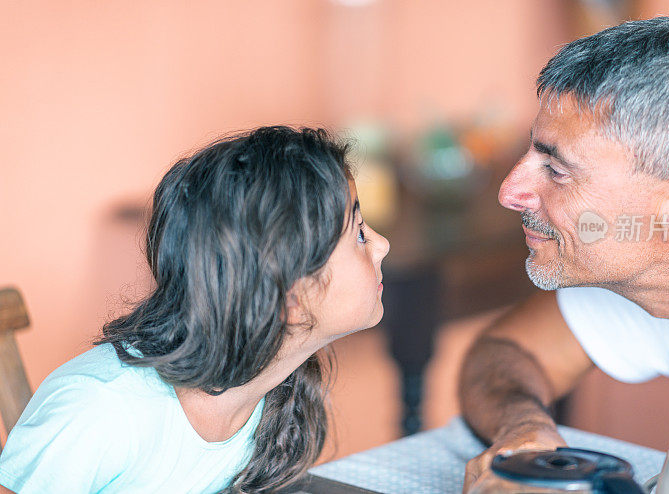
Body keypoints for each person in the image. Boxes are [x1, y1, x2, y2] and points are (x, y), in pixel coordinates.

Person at [458, 16, 669, 491]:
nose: (510, 192)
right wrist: (526, 432)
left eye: (555, 170)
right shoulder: (652, 265)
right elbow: (508, 352)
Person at [0, 126, 390, 493]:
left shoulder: (274, 396)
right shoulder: (101, 411)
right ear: (288, 296)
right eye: (357, 232)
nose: (382, 245)